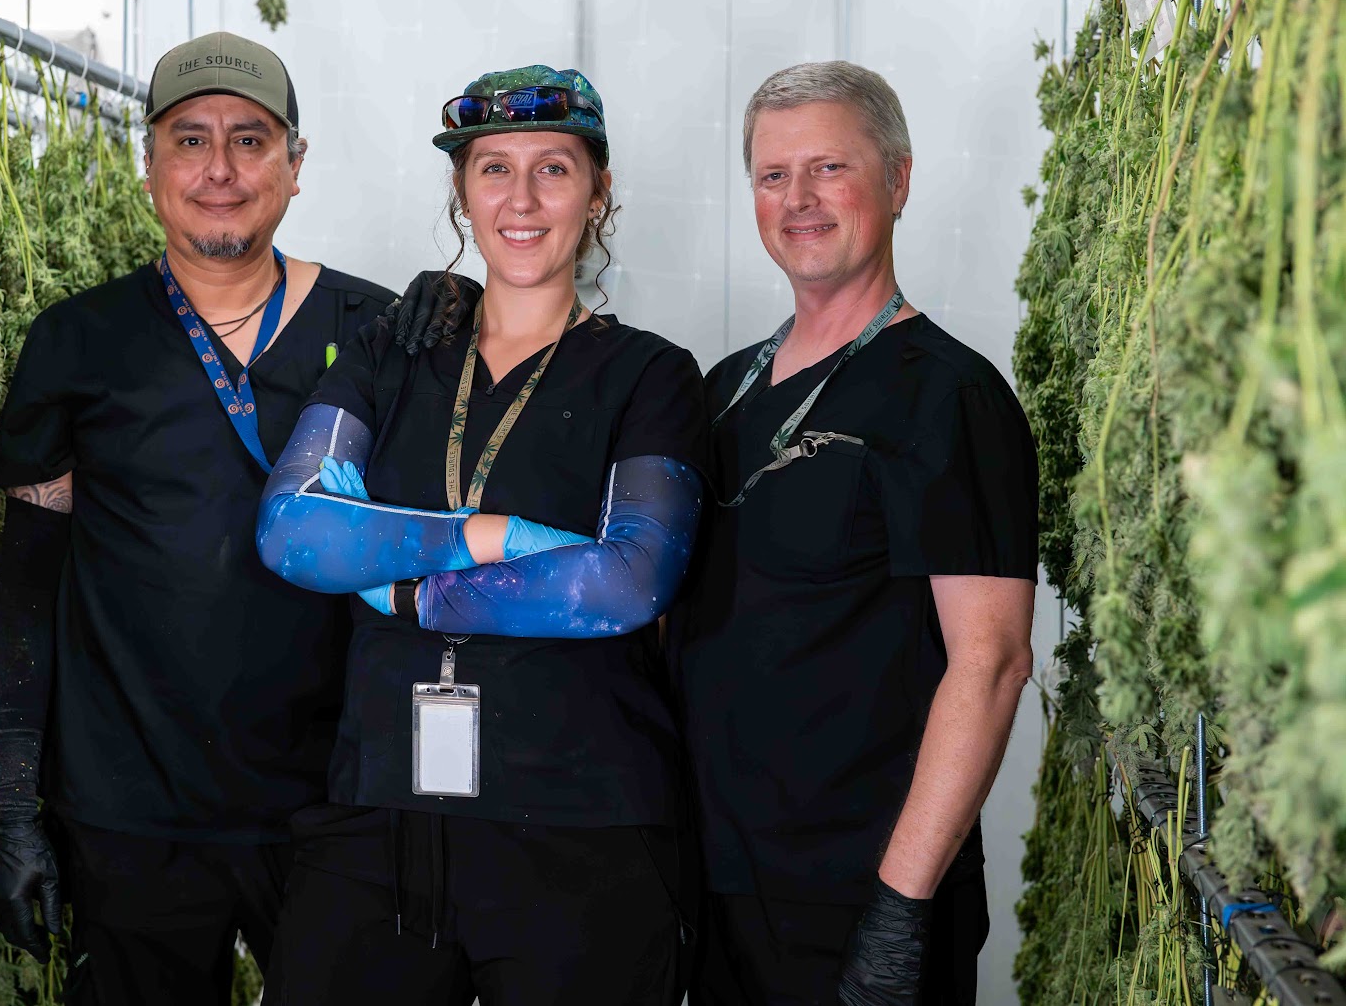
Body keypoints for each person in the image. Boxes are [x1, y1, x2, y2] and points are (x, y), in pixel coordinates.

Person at [0, 31, 428, 1004]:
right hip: (131, 814)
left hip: (337, 806)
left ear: (295, 166)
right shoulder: (76, 341)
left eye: (250, 139)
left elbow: (434, 562)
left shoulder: (381, 332)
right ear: (148, 166)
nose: (218, 169)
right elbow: (26, 581)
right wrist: (13, 800)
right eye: (188, 140)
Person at [255, 66, 707, 1005]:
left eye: (555, 168)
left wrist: (405, 582)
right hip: (380, 808)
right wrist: (498, 535)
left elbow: (624, 583)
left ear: (599, 190)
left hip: (583, 825)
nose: (523, 198)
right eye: (494, 168)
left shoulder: (653, 375)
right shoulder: (394, 349)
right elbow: (294, 531)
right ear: (461, 190)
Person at [678, 61, 1037, 1005]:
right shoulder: (723, 393)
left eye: (829, 167)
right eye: (771, 175)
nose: (798, 200)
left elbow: (992, 663)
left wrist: (899, 908)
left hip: (860, 903)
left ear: (900, 181)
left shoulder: (950, 397)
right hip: (721, 893)